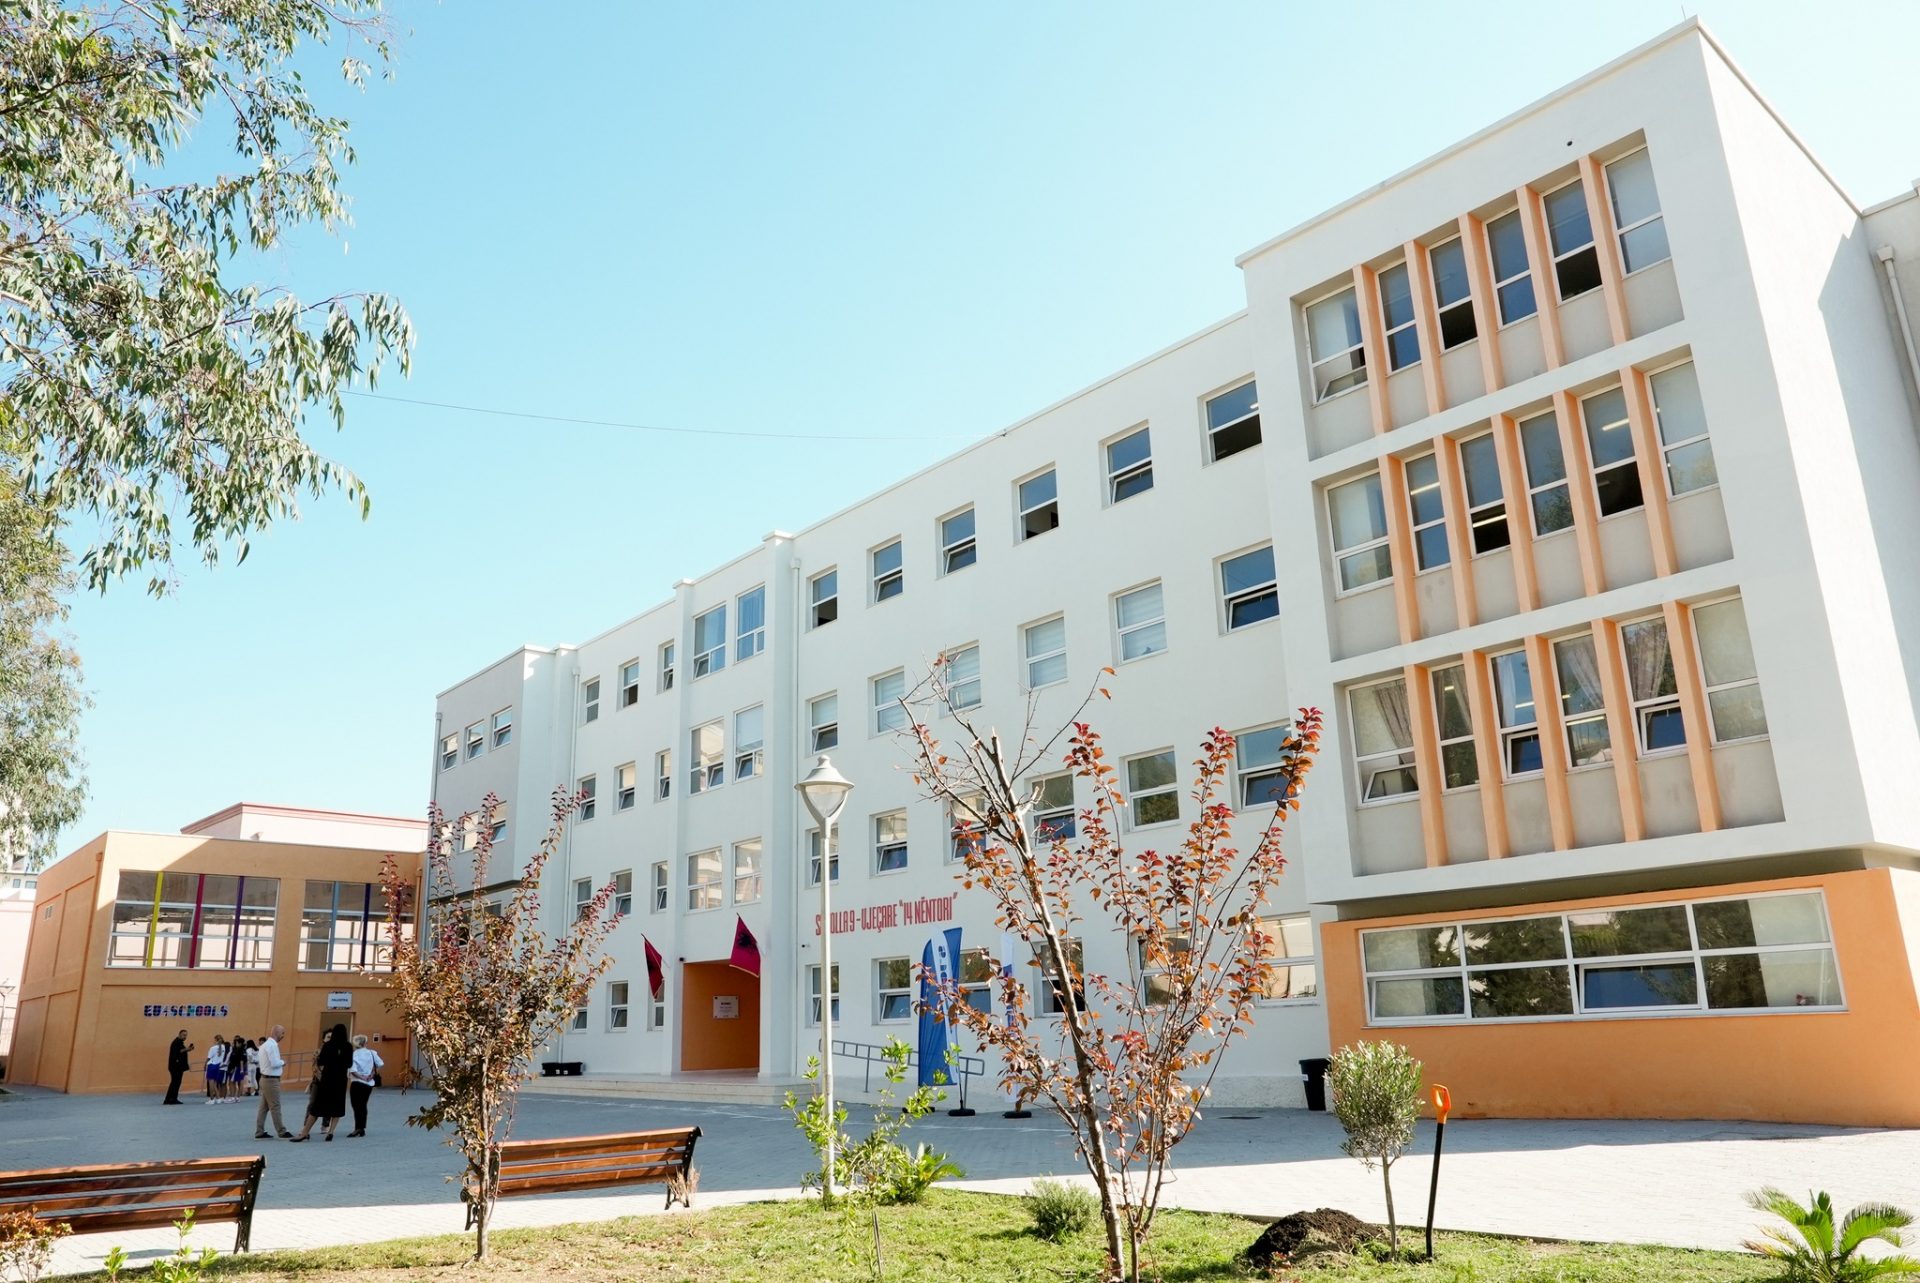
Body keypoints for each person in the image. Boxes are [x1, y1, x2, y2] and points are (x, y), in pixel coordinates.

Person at [290, 1024, 351, 1142]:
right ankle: (331, 1132)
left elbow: (321, 1061)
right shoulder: (348, 1046)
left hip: (327, 1079)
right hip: (340, 1081)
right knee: (337, 1107)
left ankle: (304, 1132)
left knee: (317, 1107)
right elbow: (349, 1064)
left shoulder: (328, 1045)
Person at [253, 1024, 294, 1140]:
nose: (283, 1036)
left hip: (264, 1078)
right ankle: (281, 1131)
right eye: (282, 1033)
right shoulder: (272, 1045)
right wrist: (283, 1062)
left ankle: (259, 1131)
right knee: (275, 1106)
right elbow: (274, 1063)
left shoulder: (264, 1045)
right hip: (271, 1080)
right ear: (276, 1033)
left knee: (264, 1107)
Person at [345, 1035, 384, 1138]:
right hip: (369, 1083)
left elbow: (353, 1070)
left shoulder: (353, 1055)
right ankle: (361, 1127)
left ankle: (358, 1128)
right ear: (365, 1043)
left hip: (357, 1083)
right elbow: (380, 1064)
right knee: (363, 1105)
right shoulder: (372, 1053)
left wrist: (362, 1077)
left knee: (356, 1106)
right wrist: (371, 1074)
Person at [163, 1029, 192, 1105]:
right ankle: (171, 1099)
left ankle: (170, 1099)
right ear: (179, 1034)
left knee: (175, 1083)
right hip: (175, 1067)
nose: (185, 1036)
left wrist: (187, 1050)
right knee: (175, 1083)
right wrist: (187, 1049)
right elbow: (178, 1051)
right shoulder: (176, 1042)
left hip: (177, 1067)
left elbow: (180, 1051)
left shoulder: (179, 1042)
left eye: (186, 1035)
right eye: (183, 1035)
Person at [204, 1035, 227, 1102]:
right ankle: (218, 1098)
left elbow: (209, 1058)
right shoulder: (223, 1047)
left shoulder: (213, 1048)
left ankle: (211, 1099)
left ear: (215, 1040)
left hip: (212, 1065)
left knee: (211, 1083)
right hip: (218, 1066)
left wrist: (205, 1064)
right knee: (214, 1083)